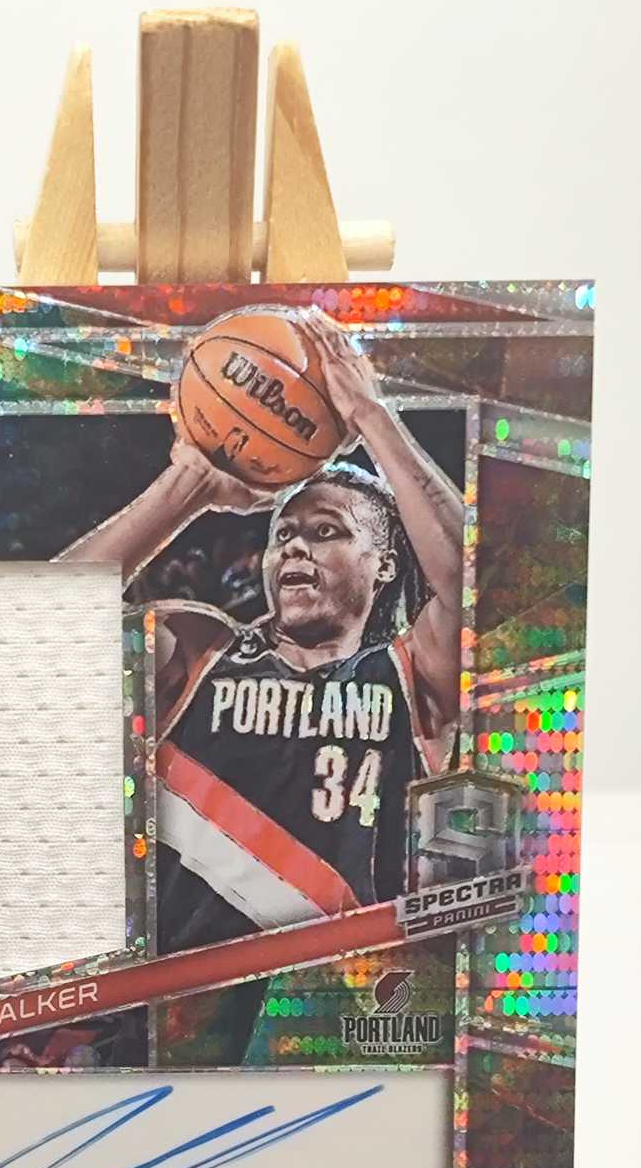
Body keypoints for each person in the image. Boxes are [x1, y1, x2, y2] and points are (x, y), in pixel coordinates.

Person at [60, 310, 464, 962]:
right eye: (285, 535)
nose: (297, 546)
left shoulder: (413, 671)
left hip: (328, 998)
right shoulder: (201, 650)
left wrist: (371, 415)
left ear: (385, 564)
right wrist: (190, 486)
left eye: (327, 532)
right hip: (170, 994)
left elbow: (473, 582)